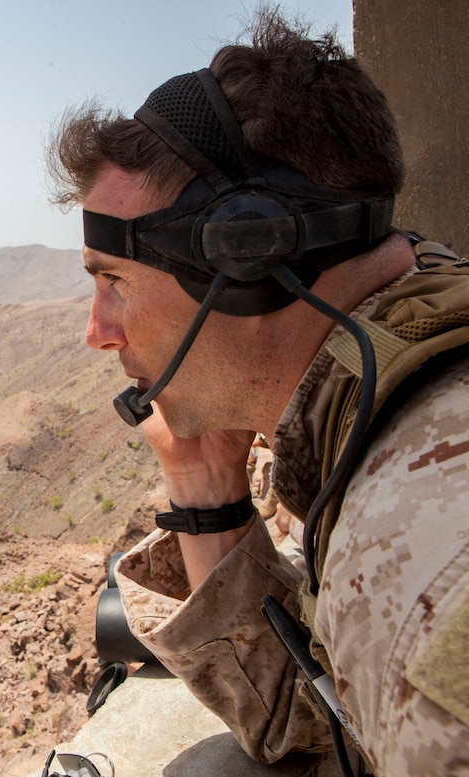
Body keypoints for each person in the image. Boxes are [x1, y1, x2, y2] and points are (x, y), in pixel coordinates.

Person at [47, 9, 469, 777]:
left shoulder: (415, 543)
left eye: (113, 282)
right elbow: (313, 719)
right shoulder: (395, 368)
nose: (97, 331)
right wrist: (204, 491)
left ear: (248, 258)